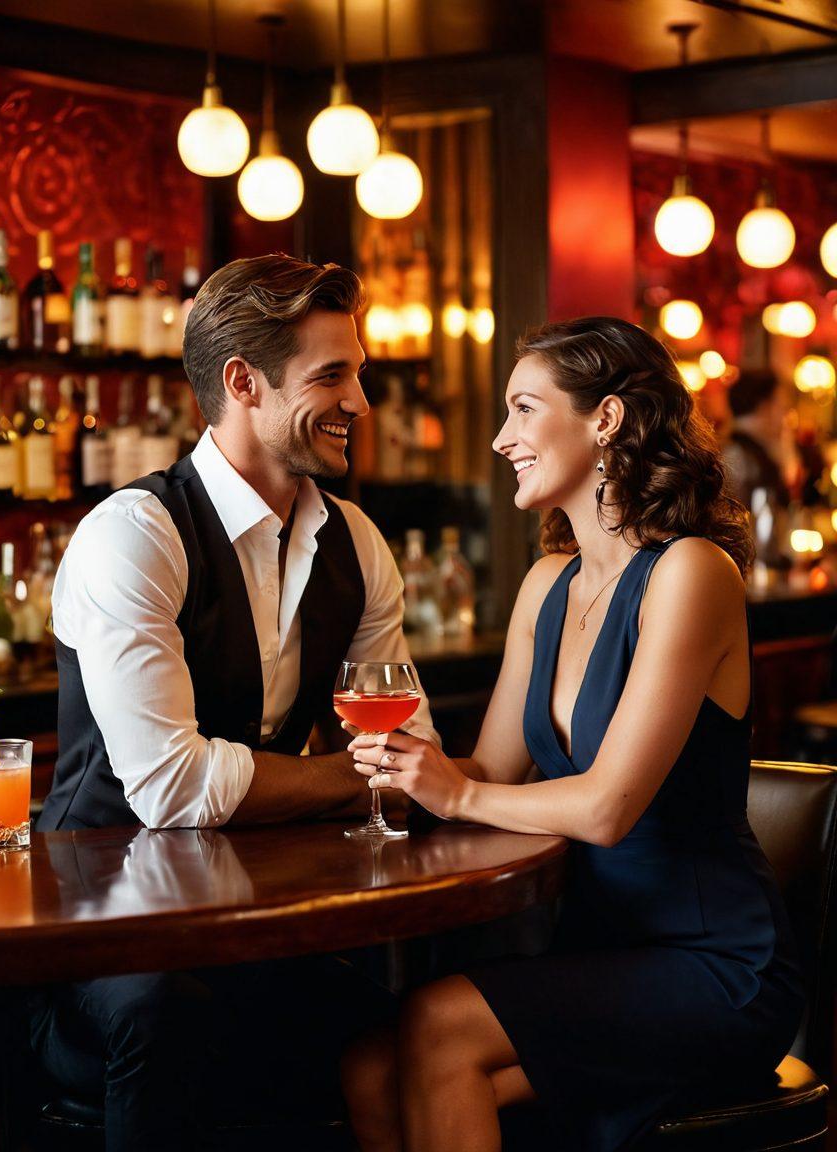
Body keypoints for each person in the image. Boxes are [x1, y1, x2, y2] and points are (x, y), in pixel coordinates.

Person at [341, 317, 804, 1152]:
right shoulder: (546, 583)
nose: (499, 438)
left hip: (713, 964)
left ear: (607, 420)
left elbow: (605, 810)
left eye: (523, 409)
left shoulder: (692, 573)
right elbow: (486, 766)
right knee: (372, 1069)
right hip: (601, 950)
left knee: (439, 1026)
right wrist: (403, 772)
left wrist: (460, 790)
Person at [31, 254, 438, 1152]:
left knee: (406, 1016)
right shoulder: (133, 536)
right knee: (166, 1012)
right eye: (332, 376)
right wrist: (346, 775)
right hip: (100, 933)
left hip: (253, 911)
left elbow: (412, 754)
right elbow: (172, 789)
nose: (360, 403)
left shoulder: (357, 542)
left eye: (357, 373)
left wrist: (374, 772)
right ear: (243, 383)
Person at [722, 367, 790, 511]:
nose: (785, 418)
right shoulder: (736, 456)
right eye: (782, 408)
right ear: (764, 407)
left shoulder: (753, 449)